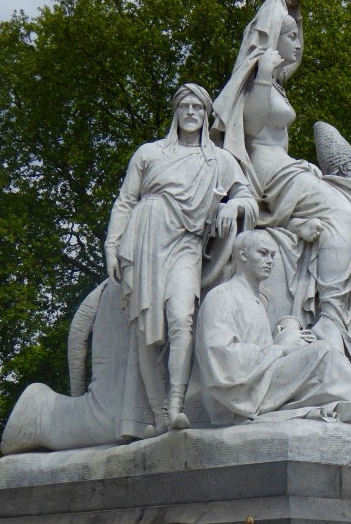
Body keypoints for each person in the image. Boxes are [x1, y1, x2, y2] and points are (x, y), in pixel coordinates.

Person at [211, 0, 351, 359]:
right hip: (272, 174)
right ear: (273, 40)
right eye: (290, 37)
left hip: (289, 169)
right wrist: (266, 72)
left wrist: (296, 15)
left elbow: (295, 56)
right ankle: (331, 318)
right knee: (343, 213)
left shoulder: (278, 81)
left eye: (298, 37)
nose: (298, 45)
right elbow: (251, 125)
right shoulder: (259, 80)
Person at [104, 83, 258, 436]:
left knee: (181, 318)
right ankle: (159, 415)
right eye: (184, 106)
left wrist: (232, 205)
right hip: (145, 240)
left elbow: (248, 198)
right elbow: (125, 202)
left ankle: (175, 405)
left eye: (198, 108)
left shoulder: (219, 160)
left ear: (206, 115)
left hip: (187, 244)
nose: (191, 113)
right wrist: (112, 246)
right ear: (175, 112)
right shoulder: (149, 154)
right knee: (146, 330)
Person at [196, 229, 351, 433]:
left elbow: (262, 352)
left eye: (273, 255)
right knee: (323, 353)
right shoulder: (222, 296)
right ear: (243, 255)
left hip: (260, 383)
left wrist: (288, 345)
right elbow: (220, 358)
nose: (270, 260)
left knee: (319, 358)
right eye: (263, 253)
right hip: (239, 396)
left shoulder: (258, 302)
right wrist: (280, 349)